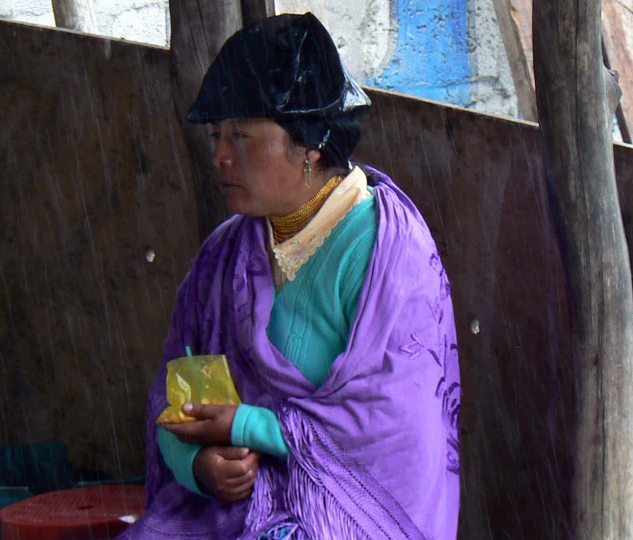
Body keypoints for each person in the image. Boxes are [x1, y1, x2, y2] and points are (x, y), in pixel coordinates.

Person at [119, 12, 460, 540]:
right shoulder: (223, 258)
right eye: (216, 136)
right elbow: (180, 399)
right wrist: (201, 468)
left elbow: (396, 439)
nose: (220, 156)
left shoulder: (389, 255)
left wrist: (247, 426)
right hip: (228, 516)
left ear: (310, 145)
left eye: (242, 136)